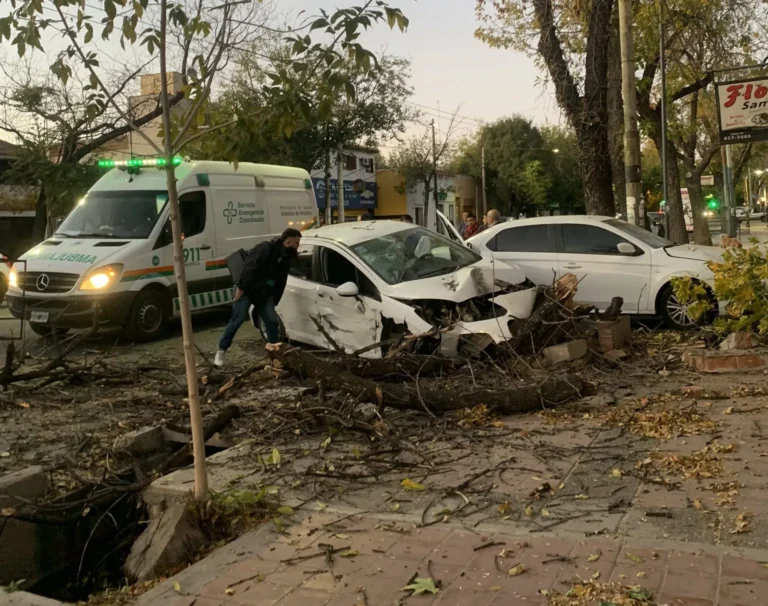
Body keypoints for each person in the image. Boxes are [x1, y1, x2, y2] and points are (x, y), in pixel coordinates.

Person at [214, 228, 302, 367]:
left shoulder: (287, 257)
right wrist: (241, 287)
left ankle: (273, 354)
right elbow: (250, 267)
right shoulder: (265, 248)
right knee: (237, 319)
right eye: (296, 242)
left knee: (272, 321)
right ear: (288, 241)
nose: (298, 246)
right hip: (247, 289)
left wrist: (274, 299)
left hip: (264, 293)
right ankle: (221, 351)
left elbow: (281, 280)